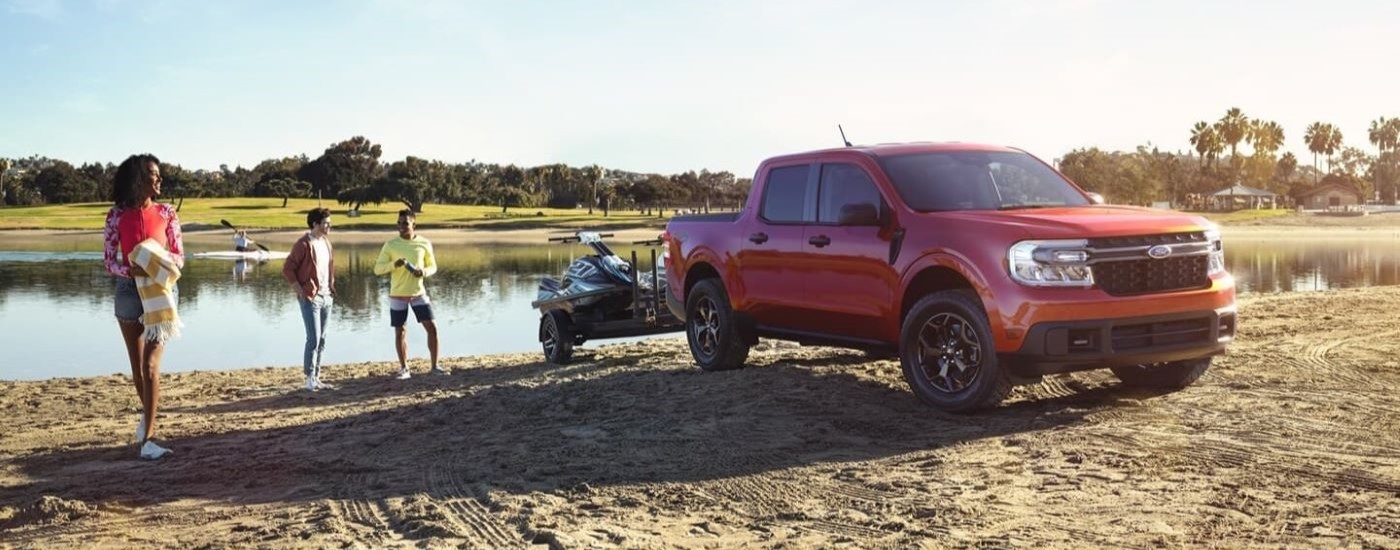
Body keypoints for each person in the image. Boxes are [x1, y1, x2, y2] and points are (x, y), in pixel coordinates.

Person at [101, 154, 183, 460]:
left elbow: (179, 257)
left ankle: (148, 440)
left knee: (150, 365)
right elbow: (110, 260)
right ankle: (148, 424)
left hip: (161, 293)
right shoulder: (115, 216)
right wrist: (130, 271)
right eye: (153, 175)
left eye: (159, 175)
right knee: (138, 370)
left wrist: (153, 259)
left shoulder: (167, 213)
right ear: (138, 179)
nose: (159, 180)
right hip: (128, 292)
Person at [373, 209, 446, 378]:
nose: (401, 226)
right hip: (397, 294)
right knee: (400, 332)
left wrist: (424, 272)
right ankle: (404, 369)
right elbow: (378, 269)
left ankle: (435, 367)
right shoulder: (390, 245)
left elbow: (433, 266)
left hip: (418, 293)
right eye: (399, 223)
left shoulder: (424, 244)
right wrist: (394, 264)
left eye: (405, 223)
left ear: (414, 224)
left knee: (432, 328)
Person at [282, 207, 335, 391]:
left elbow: (329, 267)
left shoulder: (326, 243)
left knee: (322, 339)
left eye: (330, 223)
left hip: (327, 296)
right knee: (313, 338)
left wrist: (331, 287)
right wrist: (300, 291)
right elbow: (288, 269)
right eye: (326, 223)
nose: (329, 226)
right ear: (315, 224)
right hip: (311, 297)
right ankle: (309, 377)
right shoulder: (303, 244)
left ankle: (317, 377)